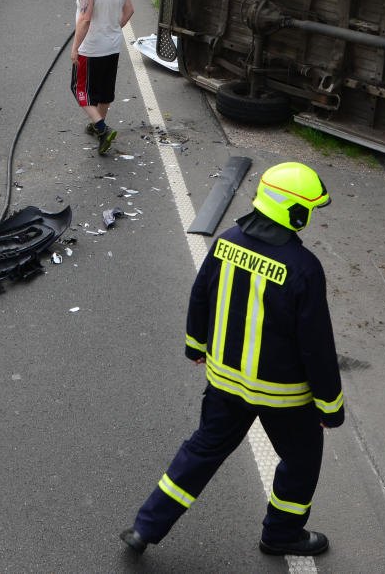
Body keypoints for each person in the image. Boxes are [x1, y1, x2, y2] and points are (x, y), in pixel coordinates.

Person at [121, 162, 345, 559]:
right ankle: (282, 534)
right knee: (301, 460)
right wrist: (330, 405)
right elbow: (316, 346)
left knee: (202, 451)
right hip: (282, 396)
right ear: (295, 211)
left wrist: (196, 345)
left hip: (224, 382)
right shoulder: (304, 268)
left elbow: (200, 296)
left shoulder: (225, 242)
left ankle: (145, 527)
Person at [72, 0, 132, 154]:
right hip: (112, 46)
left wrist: (75, 48)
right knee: (105, 91)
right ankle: (99, 126)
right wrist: (113, 28)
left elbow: (85, 20)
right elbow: (130, 10)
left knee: (79, 90)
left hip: (90, 49)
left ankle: (101, 128)